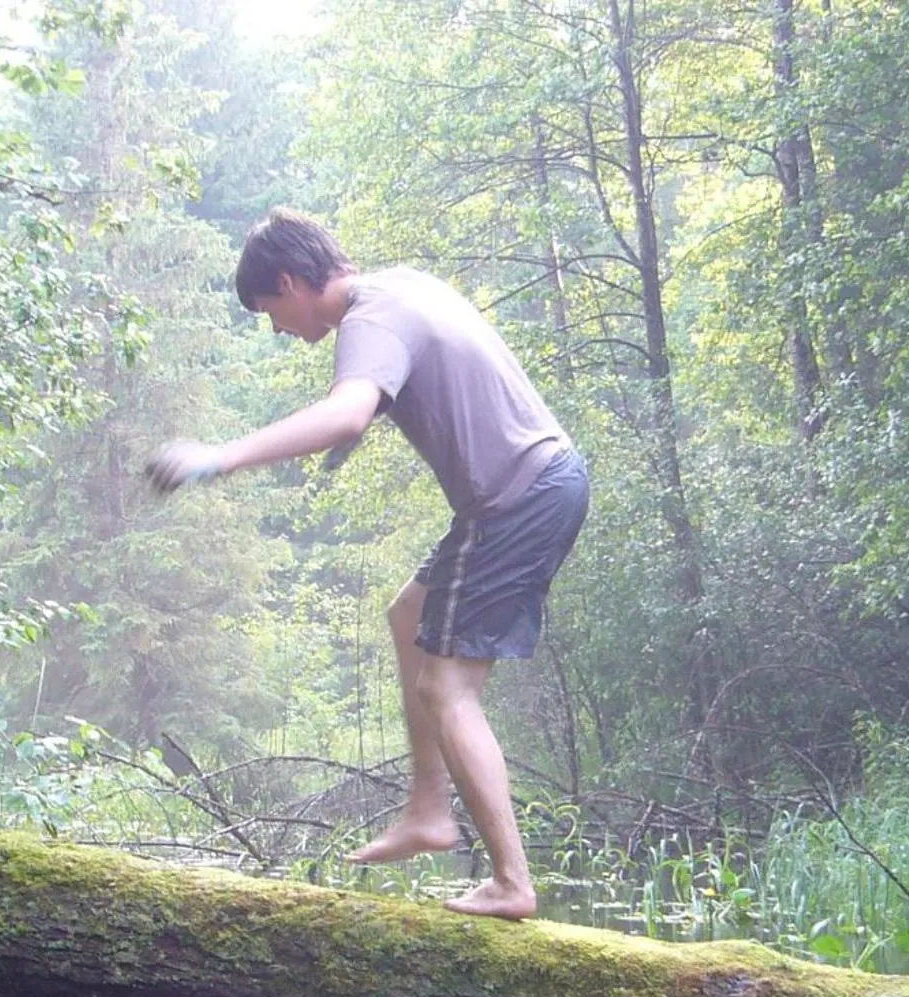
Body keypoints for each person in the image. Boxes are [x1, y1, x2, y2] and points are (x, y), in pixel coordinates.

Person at [146, 209, 589, 921]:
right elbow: (423, 385)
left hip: (518, 497)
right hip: (534, 485)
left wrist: (217, 457)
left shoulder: (369, 322)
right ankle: (427, 809)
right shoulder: (398, 287)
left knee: (448, 686)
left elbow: (349, 412)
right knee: (408, 613)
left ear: (290, 282)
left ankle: (512, 882)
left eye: (271, 312)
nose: (278, 329)